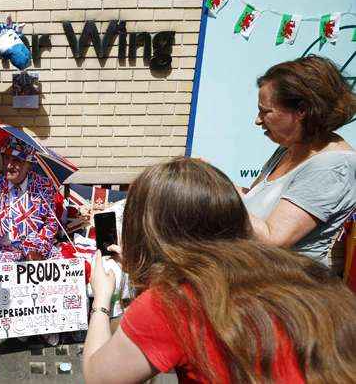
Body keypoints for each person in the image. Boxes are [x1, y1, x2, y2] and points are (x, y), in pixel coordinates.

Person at [83, 157, 356, 384]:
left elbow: (100, 377)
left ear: (146, 230)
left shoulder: (173, 303)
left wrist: (102, 299)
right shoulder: (304, 272)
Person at [241, 55, 356, 266]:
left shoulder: (332, 167)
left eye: (265, 111)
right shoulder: (289, 147)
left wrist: (217, 194)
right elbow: (255, 204)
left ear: (302, 111)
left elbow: (273, 239)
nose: (258, 120)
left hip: (285, 289)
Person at [0, 136, 59, 266]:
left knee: (61, 268)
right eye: (6, 158)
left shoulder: (44, 187)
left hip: (33, 250)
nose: (8, 165)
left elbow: (51, 223)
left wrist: (37, 249)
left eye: (16, 160)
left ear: (28, 164)